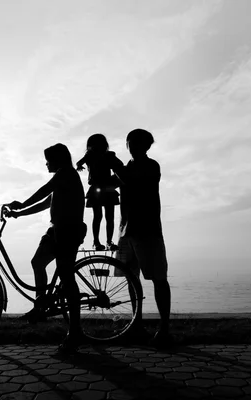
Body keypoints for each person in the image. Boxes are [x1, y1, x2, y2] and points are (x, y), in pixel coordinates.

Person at [6, 143, 87, 352]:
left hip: (68, 231)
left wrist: (21, 204)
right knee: (37, 262)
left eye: (48, 159)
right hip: (56, 230)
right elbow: (45, 203)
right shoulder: (62, 176)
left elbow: (43, 191)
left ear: (58, 159)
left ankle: (76, 331)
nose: (46, 163)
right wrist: (19, 213)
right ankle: (40, 306)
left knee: (67, 278)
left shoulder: (65, 173)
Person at [110, 129, 172, 347]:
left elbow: (131, 181)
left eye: (137, 143)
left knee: (158, 278)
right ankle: (136, 325)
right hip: (127, 231)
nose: (133, 146)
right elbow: (107, 184)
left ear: (147, 146)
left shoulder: (151, 166)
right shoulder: (125, 168)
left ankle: (164, 328)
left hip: (148, 230)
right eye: (131, 142)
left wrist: (113, 163)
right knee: (131, 278)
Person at [76, 133, 120, 251]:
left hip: (100, 188)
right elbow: (120, 166)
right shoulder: (102, 155)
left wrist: (79, 165)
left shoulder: (95, 155)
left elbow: (79, 162)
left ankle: (102, 242)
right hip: (105, 188)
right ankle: (104, 241)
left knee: (101, 216)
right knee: (105, 217)